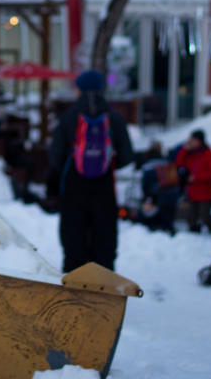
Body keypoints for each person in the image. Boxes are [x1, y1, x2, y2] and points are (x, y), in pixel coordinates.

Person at [49, 70, 134, 273]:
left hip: (73, 188)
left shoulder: (69, 117)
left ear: (80, 89)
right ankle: (103, 289)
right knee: (104, 240)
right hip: (104, 189)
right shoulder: (114, 117)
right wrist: (107, 164)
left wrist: (74, 165)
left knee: (73, 240)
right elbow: (127, 154)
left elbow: (55, 156)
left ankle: (73, 284)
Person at [176, 130, 211, 235]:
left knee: (205, 216)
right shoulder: (191, 153)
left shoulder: (209, 154)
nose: (191, 142)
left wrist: (196, 178)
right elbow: (179, 162)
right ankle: (194, 234)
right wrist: (184, 149)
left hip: (206, 192)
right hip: (193, 191)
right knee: (191, 216)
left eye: (193, 140)